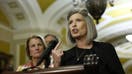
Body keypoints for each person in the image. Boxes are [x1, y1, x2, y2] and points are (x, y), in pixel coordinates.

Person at [52, 9, 125, 74]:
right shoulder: (65, 56)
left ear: (88, 25)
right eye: (70, 22)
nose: (73, 25)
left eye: (78, 20)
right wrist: (56, 63)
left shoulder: (105, 49)